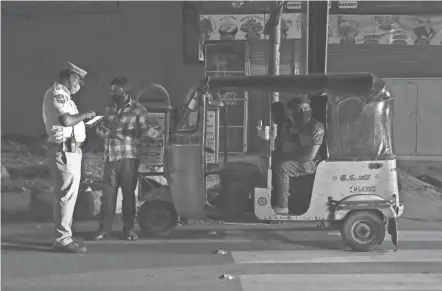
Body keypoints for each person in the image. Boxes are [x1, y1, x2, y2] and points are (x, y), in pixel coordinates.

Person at [94, 77, 162, 241]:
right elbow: (100, 126)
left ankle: (129, 229)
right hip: (111, 157)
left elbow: (146, 131)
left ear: (125, 91)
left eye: (115, 90)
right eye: (111, 90)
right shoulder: (109, 108)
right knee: (108, 196)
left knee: (128, 195)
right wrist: (105, 132)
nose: (112, 93)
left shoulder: (138, 110)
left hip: (129, 158)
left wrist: (151, 134)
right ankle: (104, 230)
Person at [42, 61, 96, 253]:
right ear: (71, 77)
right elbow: (66, 120)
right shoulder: (58, 93)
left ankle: (64, 235)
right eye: (79, 81)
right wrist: (85, 115)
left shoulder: (65, 96)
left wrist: (83, 123)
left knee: (67, 195)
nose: (79, 85)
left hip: (70, 150)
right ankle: (63, 239)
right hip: (64, 151)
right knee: (66, 196)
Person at [273, 96, 325, 214]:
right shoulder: (299, 126)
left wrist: (288, 157)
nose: (303, 113)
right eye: (299, 110)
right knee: (276, 159)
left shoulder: (316, 127)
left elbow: (310, 155)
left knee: (283, 166)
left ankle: (283, 205)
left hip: (314, 162)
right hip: (302, 158)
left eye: (306, 109)